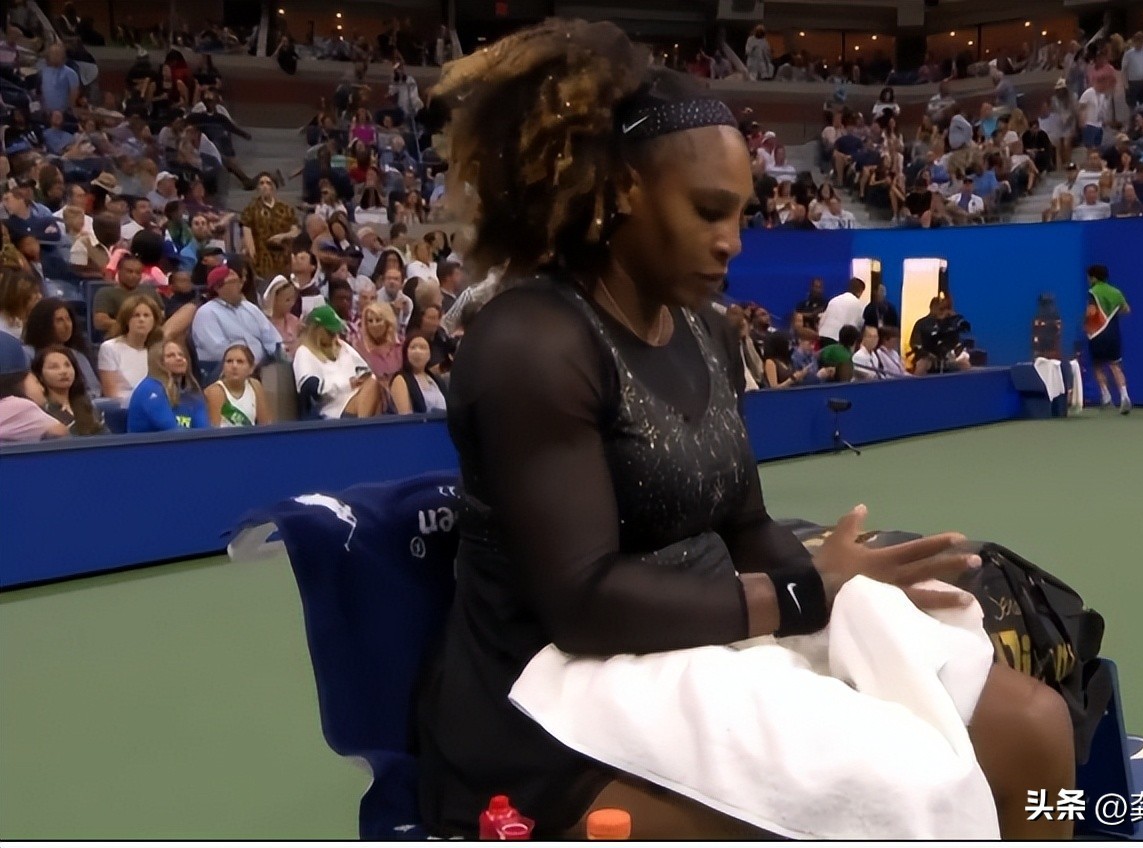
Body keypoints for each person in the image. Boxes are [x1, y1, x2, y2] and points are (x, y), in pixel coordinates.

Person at [414, 20, 1074, 841]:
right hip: (553, 696)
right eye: (707, 211)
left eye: (740, 214)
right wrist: (803, 593)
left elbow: (746, 525)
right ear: (620, 189)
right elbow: (582, 603)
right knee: (900, 790)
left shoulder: (708, 332)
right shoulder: (532, 343)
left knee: (1034, 726)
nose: (732, 241)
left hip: (709, 643)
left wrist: (848, 583)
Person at [292, 305, 382, 420]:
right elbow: (312, 390)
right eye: (331, 332)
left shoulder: (342, 346)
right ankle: (362, 427)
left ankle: (364, 425)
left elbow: (364, 370)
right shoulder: (304, 352)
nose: (335, 336)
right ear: (317, 331)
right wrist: (347, 384)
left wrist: (360, 379)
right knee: (372, 386)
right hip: (331, 409)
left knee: (374, 382)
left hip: (356, 397)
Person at [191, 265, 285, 373]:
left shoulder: (250, 307)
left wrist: (277, 356)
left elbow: (271, 338)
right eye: (233, 282)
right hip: (224, 369)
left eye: (239, 281)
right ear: (217, 287)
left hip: (261, 366)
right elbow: (217, 350)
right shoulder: (206, 313)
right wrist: (248, 363)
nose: (240, 285)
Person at [126, 339, 209, 432]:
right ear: (158, 362)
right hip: (154, 441)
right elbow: (170, 429)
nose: (179, 358)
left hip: (183, 440)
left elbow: (204, 431)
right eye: (170, 356)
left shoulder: (192, 392)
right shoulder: (149, 389)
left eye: (181, 355)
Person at [0, 332, 69, 442]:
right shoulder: (20, 407)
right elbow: (60, 432)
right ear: (19, 380)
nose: (42, 388)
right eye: (36, 381)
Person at [1083, 264, 1132, 415]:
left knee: (1097, 365)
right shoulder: (1116, 292)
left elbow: (1091, 312)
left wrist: (1085, 321)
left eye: (1089, 277)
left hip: (1097, 334)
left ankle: (1106, 395)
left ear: (1094, 278)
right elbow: (1126, 309)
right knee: (1115, 366)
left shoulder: (1093, 292)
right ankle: (1124, 396)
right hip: (1113, 334)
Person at [98, 293, 164, 404]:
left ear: (154, 321)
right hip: (123, 409)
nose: (141, 319)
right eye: (136, 315)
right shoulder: (109, 348)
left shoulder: (158, 350)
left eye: (146, 315)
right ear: (127, 320)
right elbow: (111, 395)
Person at [31, 345, 108, 435]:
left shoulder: (88, 406)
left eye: (67, 365)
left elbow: (106, 439)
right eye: (54, 367)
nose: (64, 371)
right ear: (40, 376)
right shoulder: (41, 411)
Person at [204, 343, 273, 427]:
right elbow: (214, 431)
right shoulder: (215, 392)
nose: (234, 366)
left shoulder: (255, 385)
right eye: (229, 361)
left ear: (251, 368)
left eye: (240, 362)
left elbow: (266, 425)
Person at [390, 331, 447, 414]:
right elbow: (406, 416)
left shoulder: (436, 380)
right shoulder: (400, 379)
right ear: (406, 353)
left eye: (423, 347)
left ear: (430, 354)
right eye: (413, 347)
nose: (417, 351)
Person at [816, 277, 866, 347]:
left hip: (823, 337)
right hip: (838, 340)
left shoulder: (834, 300)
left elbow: (822, 320)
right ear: (860, 291)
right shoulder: (859, 305)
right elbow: (861, 325)